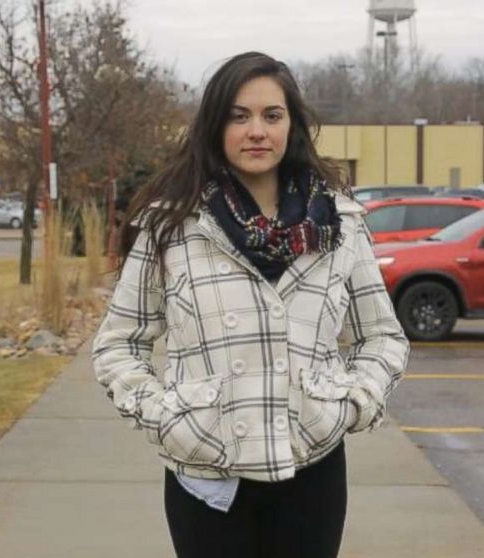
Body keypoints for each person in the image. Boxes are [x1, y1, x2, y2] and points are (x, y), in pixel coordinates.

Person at [92, 51, 409, 558]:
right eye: (239, 116)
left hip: (312, 471)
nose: (256, 130)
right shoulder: (171, 225)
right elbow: (117, 345)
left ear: (293, 126)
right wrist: (167, 418)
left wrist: (351, 402)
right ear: (215, 126)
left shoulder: (340, 223)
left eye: (271, 115)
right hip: (206, 475)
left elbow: (383, 338)